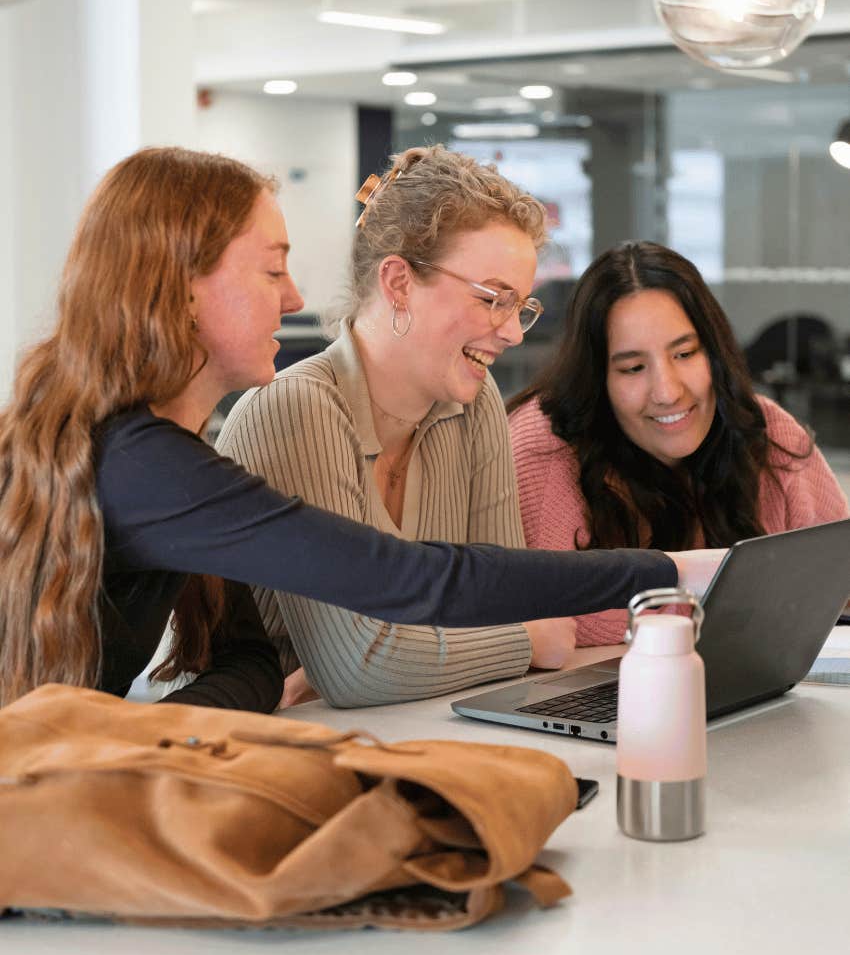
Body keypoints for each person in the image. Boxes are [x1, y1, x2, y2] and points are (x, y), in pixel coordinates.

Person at [0, 148, 712, 714]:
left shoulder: (154, 455)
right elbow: (402, 596)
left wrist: (137, 731)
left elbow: (250, 664)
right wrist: (667, 572)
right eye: (272, 270)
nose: (294, 298)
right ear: (183, 290)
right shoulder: (148, 464)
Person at [219, 145, 580, 708]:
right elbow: (360, 668)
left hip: (401, 724)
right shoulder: (296, 409)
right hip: (245, 739)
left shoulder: (474, 402)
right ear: (399, 282)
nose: (513, 333)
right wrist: (526, 641)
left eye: (521, 307)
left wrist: (404, 651)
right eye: (493, 299)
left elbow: (506, 601)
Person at [508, 242, 850, 647]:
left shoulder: (765, 429)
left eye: (685, 354)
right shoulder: (543, 447)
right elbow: (557, 619)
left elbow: (837, 577)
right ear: (597, 379)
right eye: (633, 368)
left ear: (715, 352)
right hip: (608, 684)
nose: (667, 392)